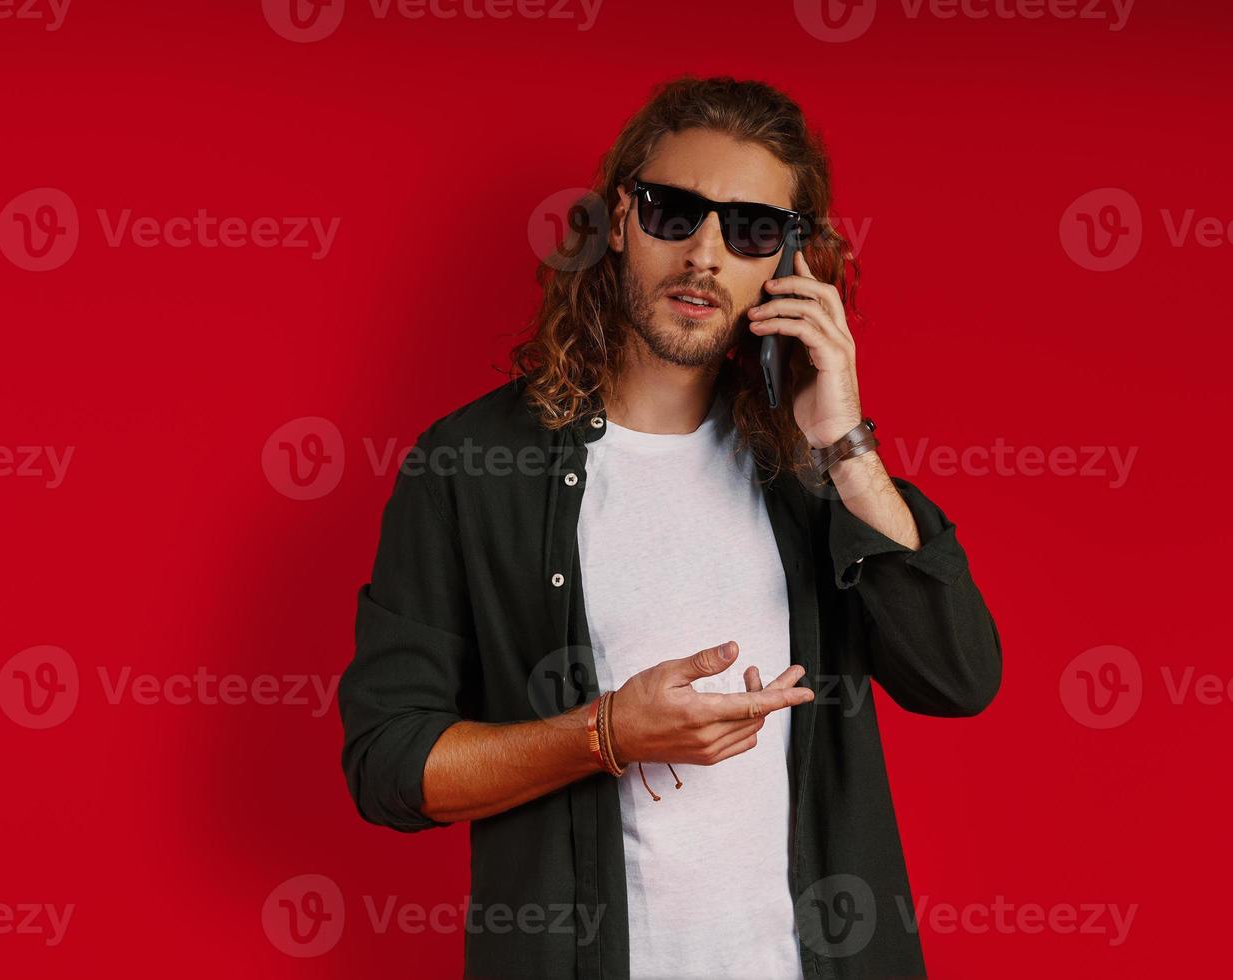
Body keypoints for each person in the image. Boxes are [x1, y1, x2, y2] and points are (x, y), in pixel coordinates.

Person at [338, 75, 1002, 980]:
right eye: (673, 212)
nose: (705, 253)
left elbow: (958, 677)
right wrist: (608, 733)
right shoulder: (468, 465)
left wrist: (844, 438)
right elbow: (390, 764)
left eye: (751, 229)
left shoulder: (808, 469)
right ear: (619, 220)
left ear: (790, 261)